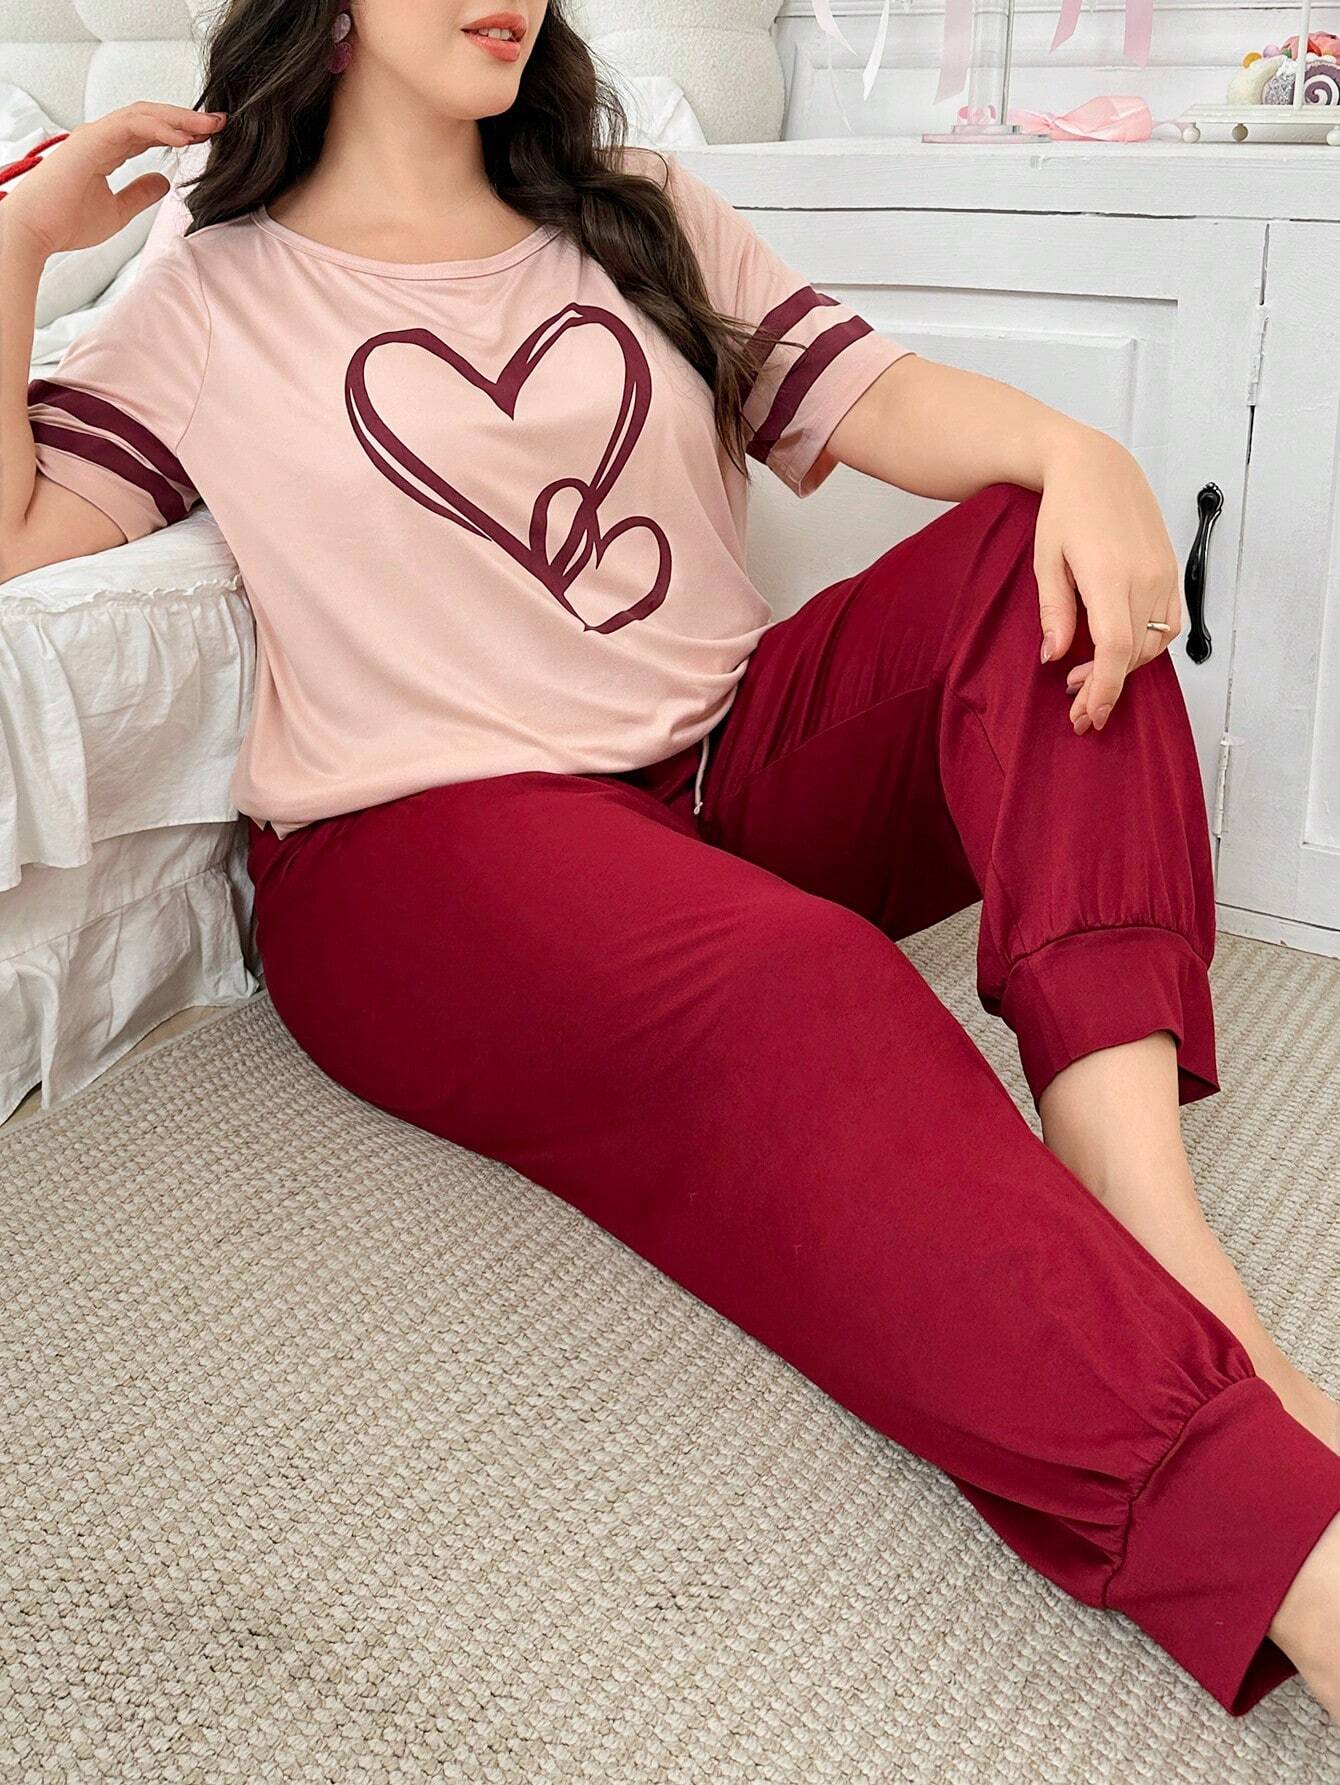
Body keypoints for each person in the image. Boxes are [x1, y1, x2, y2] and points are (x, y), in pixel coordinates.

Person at [2, 0, 1338, 1726]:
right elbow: (19, 533)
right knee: (807, 990)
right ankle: (1287, 1542)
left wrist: (1080, 453)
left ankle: (1159, 1235)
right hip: (423, 844)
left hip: (721, 761)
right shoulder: (208, 288)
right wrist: (24, 244)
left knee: (1041, 562)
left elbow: (878, 396)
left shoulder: (631, 208)